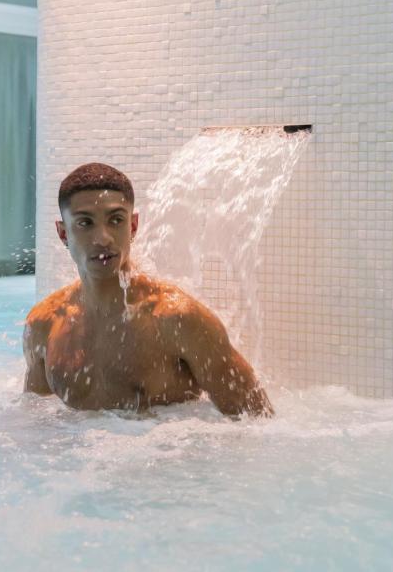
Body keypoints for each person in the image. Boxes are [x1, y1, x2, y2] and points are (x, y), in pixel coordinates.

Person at [23, 162, 274, 417]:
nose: (103, 238)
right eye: (85, 223)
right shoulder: (44, 324)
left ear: (132, 227)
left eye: (116, 220)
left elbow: (258, 423)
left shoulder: (178, 320)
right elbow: (35, 421)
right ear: (63, 234)